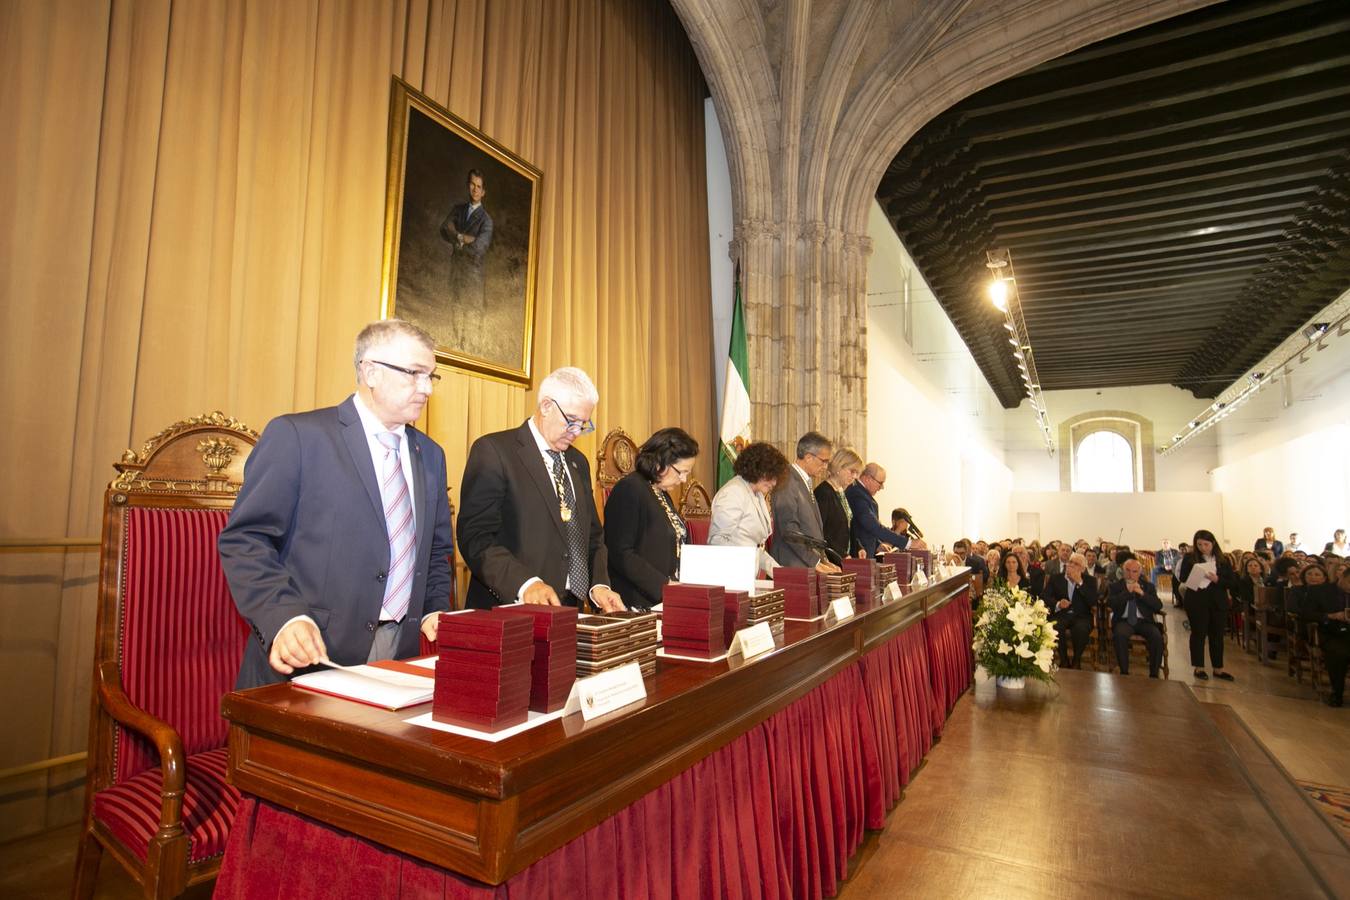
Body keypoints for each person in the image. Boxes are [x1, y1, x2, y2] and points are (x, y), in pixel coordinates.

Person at [218, 320, 455, 689]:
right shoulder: (299, 437)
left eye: (431, 377)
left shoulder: (431, 456)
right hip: (312, 655)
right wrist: (283, 617)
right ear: (370, 371)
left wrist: (435, 608)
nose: (426, 389)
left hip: (401, 655)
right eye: (414, 374)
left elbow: (437, 549)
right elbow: (247, 540)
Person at [457, 367, 623, 612]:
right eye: (572, 421)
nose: (576, 433)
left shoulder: (578, 462)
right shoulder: (495, 451)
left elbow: (592, 536)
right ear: (546, 406)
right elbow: (476, 537)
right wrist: (525, 584)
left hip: (570, 608)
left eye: (584, 425)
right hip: (512, 608)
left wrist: (599, 584)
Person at [603, 427, 699, 611]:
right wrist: (664, 586)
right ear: (659, 462)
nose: (684, 479)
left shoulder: (660, 492)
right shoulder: (629, 489)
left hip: (664, 599)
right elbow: (620, 553)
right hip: (636, 602)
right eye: (681, 471)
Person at [708, 441, 790, 577]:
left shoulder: (756, 494)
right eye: (771, 476)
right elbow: (718, 542)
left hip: (748, 576)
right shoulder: (733, 492)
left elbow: (757, 548)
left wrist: (780, 573)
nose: (774, 483)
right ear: (756, 468)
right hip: (731, 576)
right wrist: (740, 573)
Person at [770, 432, 841, 572]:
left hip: (805, 564)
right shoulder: (787, 480)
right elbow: (789, 529)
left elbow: (813, 533)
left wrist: (824, 561)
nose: (826, 467)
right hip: (792, 565)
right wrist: (815, 562)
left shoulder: (804, 481)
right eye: (824, 461)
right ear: (808, 457)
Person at [1178, 529, 1237, 682]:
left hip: (1217, 601)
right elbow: (1183, 577)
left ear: (1213, 543)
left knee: (1217, 635)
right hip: (1197, 600)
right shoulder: (1190, 558)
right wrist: (1198, 574)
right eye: (1199, 544)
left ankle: (1218, 668)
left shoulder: (1223, 560)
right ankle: (1199, 667)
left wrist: (1217, 579)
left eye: (1206, 544)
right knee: (1198, 633)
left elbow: (1231, 582)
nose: (1203, 547)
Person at [439, 169, 494, 314]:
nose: (475, 189)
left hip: (473, 278)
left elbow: (479, 248)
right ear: (467, 186)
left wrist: (459, 244)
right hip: (456, 273)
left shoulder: (486, 220)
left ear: (483, 192)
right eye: (472, 184)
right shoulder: (458, 210)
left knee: (470, 319)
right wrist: (461, 237)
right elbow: (444, 228)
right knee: (454, 315)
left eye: (479, 186)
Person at [1296, 568, 1350, 707]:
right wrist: (1331, 616)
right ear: (1342, 576)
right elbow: (1305, 614)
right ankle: (1336, 693)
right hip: (1331, 633)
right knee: (1339, 653)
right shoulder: (1320, 591)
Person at [845, 463, 921, 557]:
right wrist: (907, 543)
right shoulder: (856, 494)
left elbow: (862, 528)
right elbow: (872, 525)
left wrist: (877, 544)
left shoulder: (861, 493)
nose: (882, 487)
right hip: (858, 555)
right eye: (880, 483)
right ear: (867, 478)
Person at [1108, 558, 1164, 677]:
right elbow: (1112, 604)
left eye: (1134, 571)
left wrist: (1142, 594)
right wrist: (1127, 592)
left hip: (1144, 621)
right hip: (1124, 620)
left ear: (1139, 572)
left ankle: (1154, 674)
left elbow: (1158, 606)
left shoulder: (1148, 587)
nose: (1130, 574)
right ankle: (1124, 672)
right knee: (1120, 635)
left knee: (1156, 636)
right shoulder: (1115, 586)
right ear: (1123, 571)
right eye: (1127, 570)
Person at [1044, 552, 1096, 669]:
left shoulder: (1090, 581)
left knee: (1081, 629)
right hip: (1061, 614)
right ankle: (1064, 659)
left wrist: (1080, 583)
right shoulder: (1056, 578)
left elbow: (1093, 601)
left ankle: (1077, 660)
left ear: (1083, 569)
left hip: (1081, 616)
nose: (1071, 565)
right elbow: (1045, 597)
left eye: (1076, 564)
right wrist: (1057, 604)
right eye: (1070, 562)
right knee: (1055, 626)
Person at [813, 447, 864, 563]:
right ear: (839, 467)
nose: (855, 476)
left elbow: (846, 526)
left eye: (857, 473)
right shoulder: (823, 493)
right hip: (830, 560)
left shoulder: (840, 491)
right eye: (852, 471)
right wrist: (841, 554)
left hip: (843, 557)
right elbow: (820, 532)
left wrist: (858, 546)